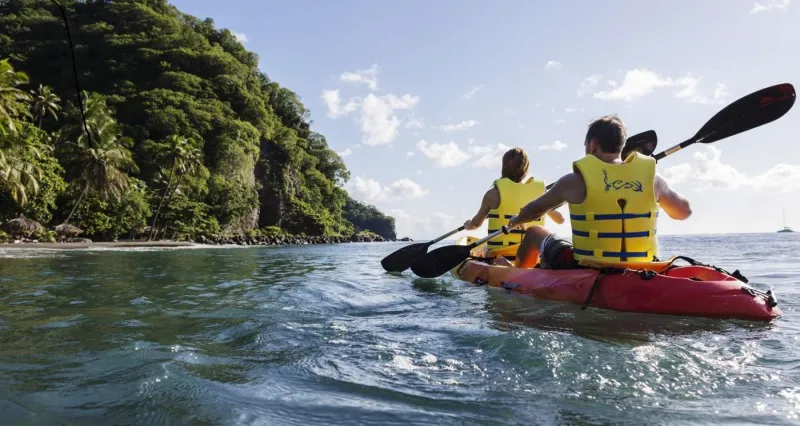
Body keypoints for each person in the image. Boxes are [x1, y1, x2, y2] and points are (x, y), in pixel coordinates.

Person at [499, 115, 692, 269]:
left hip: (588, 267)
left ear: (593, 144)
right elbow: (684, 212)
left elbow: (534, 210)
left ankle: (516, 274)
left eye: (586, 145)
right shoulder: (654, 180)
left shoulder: (573, 181)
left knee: (534, 232)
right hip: (642, 266)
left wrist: (517, 220)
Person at [463, 147, 564, 260]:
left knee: (484, 248)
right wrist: (546, 207)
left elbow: (475, 224)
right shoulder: (539, 194)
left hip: (499, 255)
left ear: (504, 167)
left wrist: (468, 225)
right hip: (531, 256)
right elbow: (560, 220)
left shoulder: (493, 193)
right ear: (526, 169)